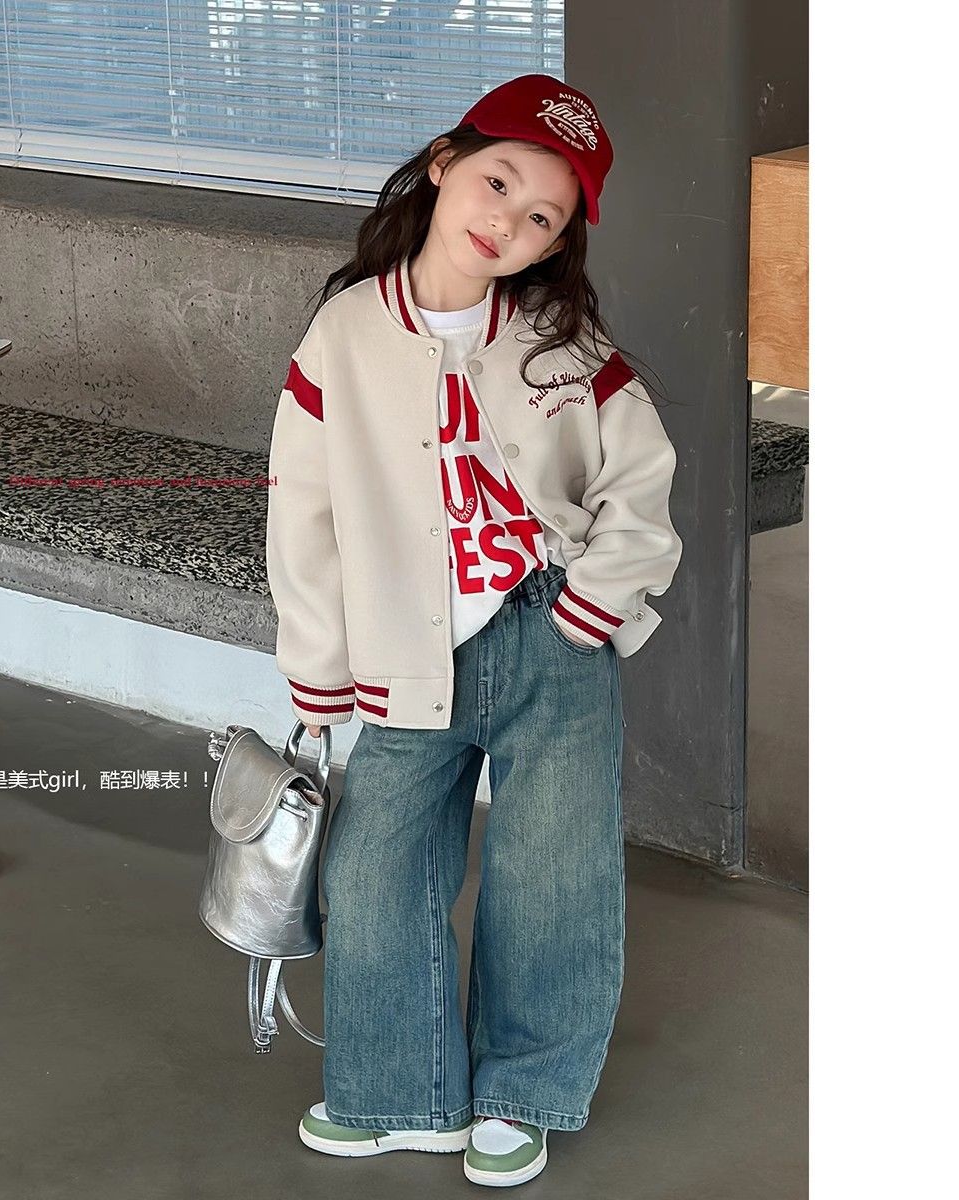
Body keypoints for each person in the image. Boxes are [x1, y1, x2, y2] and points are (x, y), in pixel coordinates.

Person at [264, 73, 683, 1189]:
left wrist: (597, 601)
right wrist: (318, 665)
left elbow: (641, 475)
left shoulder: (559, 338)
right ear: (446, 162)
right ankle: (400, 1093)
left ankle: (524, 1091)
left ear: (557, 242)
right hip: (410, 650)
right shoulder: (345, 333)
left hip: (552, 635)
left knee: (554, 875)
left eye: (542, 216)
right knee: (376, 870)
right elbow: (302, 512)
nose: (508, 221)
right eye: (498, 182)